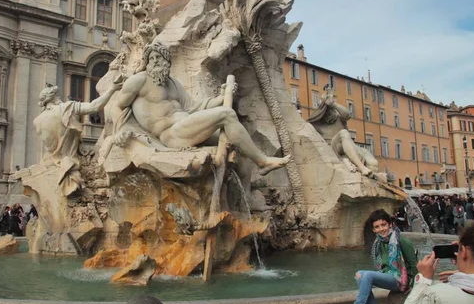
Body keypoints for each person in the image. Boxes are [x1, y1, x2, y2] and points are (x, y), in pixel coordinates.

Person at [114, 42, 290, 176]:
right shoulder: (139, 80)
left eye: (158, 58)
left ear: (167, 61)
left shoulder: (174, 84)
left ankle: (242, 202)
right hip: (171, 135)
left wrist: (221, 98)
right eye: (151, 59)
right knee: (227, 114)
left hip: (186, 127)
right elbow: (119, 107)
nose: (154, 62)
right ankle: (263, 161)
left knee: (239, 151)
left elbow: (194, 108)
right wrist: (122, 130)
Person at [33, 79, 122, 196]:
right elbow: (94, 106)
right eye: (57, 95)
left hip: (51, 163)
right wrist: (112, 89)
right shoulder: (66, 108)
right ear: (53, 97)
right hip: (70, 162)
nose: (59, 97)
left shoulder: (37, 121)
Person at [399, 223, 474, 304]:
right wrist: (464, 267)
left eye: (459, 249)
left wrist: (422, 280)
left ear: (464, 252)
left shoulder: (435, 297)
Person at [348, 209, 417, 304]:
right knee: (359, 274)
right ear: (373, 229)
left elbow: (414, 264)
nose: (381, 229)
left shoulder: (401, 241)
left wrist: (414, 285)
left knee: (368, 276)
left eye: (383, 225)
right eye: (377, 227)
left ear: (390, 224)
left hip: (401, 280)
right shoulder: (380, 242)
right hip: (389, 275)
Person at [307, 86, 379, 177]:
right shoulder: (317, 124)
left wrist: (333, 104)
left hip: (351, 146)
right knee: (343, 132)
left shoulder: (340, 116)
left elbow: (348, 115)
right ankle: (361, 167)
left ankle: (372, 177)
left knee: (374, 164)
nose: (328, 112)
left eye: (330, 109)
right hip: (336, 148)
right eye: (325, 110)